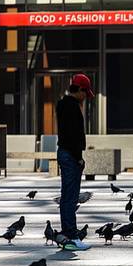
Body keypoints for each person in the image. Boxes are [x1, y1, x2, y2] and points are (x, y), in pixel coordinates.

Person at [56, 73, 94, 251]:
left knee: (67, 196)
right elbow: (72, 135)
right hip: (70, 155)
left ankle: (67, 233)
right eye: (85, 92)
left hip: (64, 153)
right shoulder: (71, 107)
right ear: (79, 89)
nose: (86, 97)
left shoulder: (62, 104)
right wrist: (79, 158)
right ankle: (71, 235)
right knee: (71, 197)